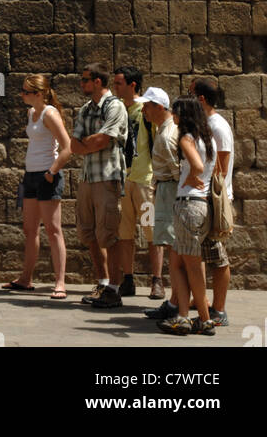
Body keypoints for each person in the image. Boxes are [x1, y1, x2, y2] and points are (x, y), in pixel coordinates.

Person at [3, 72, 71, 299]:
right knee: (30, 230)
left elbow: (68, 147)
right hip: (30, 175)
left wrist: (52, 172)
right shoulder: (31, 112)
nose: (21, 94)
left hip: (47, 175)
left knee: (53, 230)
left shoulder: (49, 114)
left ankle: (60, 282)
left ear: (39, 94)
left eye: (26, 91)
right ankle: (26, 278)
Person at [69, 62, 128, 310]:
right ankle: (103, 282)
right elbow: (74, 144)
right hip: (87, 177)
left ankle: (114, 287)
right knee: (88, 231)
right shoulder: (85, 108)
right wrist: (87, 144)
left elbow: (104, 139)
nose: (81, 84)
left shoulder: (115, 106)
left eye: (85, 80)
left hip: (107, 175)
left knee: (109, 234)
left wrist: (87, 144)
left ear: (97, 82)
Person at [157, 96, 217, 337]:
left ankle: (203, 319)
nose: (173, 116)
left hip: (188, 206)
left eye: (176, 113)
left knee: (190, 266)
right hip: (202, 206)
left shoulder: (186, 138)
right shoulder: (207, 139)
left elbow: (199, 167)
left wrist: (192, 176)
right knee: (180, 263)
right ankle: (183, 315)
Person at [113, 66, 160, 298]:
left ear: (133, 85)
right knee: (125, 233)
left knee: (152, 231)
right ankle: (128, 278)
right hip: (125, 179)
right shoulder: (119, 109)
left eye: (119, 83)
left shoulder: (146, 109)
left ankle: (157, 280)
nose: (115, 88)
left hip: (144, 179)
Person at [191, 77, 233, 328]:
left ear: (201, 99)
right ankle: (204, 303)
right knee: (205, 255)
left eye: (190, 94)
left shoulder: (217, 126)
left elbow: (223, 167)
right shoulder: (207, 124)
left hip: (214, 199)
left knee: (218, 257)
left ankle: (219, 310)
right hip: (207, 197)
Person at [140, 88, 182, 324]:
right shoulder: (163, 130)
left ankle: (177, 305)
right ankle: (175, 303)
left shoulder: (167, 134)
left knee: (175, 249)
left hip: (170, 191)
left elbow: (177, 170)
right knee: (172, 248)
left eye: (147, 105)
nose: (144, 109)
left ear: (159, 106)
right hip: (166, 189)